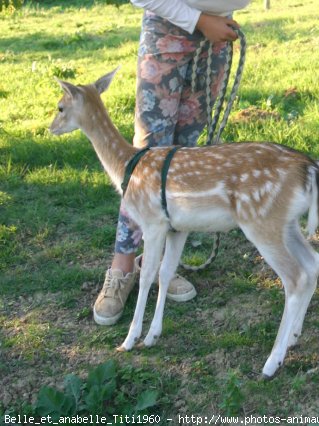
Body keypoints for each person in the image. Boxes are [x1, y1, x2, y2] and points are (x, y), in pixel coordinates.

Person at [93, 0, 251, 326]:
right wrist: (198, 19)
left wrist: (213, 21)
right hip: (168, 29)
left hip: (216, 37)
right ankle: (122, 269)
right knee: (145, 162)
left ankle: (164, 265)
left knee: (185, 156)